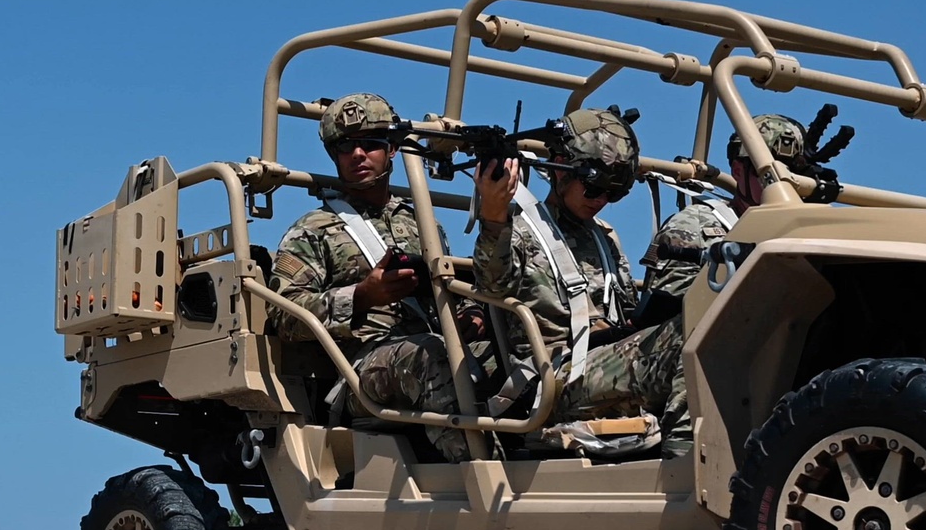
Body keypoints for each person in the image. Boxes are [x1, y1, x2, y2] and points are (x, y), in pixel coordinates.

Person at [268, 93, 485, 462]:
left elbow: (451, 289)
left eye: (370, 144)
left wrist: (471, 316)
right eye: (345, 148)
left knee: (508, 351)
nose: (357, 156)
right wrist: (363, 296)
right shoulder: (313, 230)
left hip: (431, 343)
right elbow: (284, 315)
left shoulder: (422, 224)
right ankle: (481, 471)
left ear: (392, 151)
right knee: (431, 355)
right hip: (360, 372)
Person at [472, 108, 690, 458]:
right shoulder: (519, 230)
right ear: (560, 165)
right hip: (555, 379)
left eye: (614, 192)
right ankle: (685, 463)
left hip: (603, 361)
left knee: (711, 320)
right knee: (687, 335)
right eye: (593, 187)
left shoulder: (605, 238)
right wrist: (494, 215)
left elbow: (626, 315)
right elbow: (491, 287)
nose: (601, 200)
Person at [641, 109, 848, 298]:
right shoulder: (697, 224)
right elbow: (672, 309)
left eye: (794, 173)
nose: (787, 181)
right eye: (772, 172)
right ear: (739, 172)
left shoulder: (806, 235)